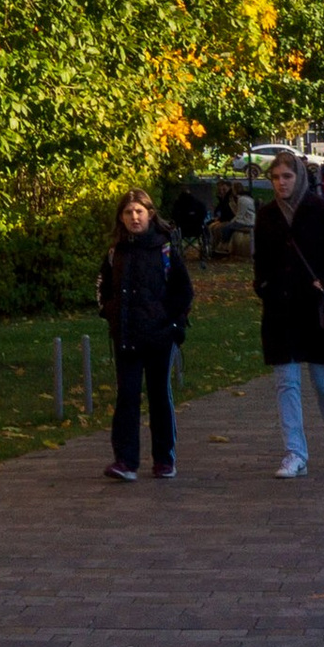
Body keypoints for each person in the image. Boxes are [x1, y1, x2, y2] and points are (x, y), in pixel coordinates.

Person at [254, 147, 324, 476]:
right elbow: (261, 261)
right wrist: (263, 286)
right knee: (286, 383)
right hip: (280, 310)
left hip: (315, 310)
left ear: (299, 176)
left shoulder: (320, 209)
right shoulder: (266, 215)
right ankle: (295, 452)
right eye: (276, 177)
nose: (281, 183)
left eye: (287, 176)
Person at [97, 188, 195, 480]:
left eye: (139, 211)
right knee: (127, 395)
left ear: (150, 214)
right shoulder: (116, 252)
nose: (134, 217)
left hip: (159, 335)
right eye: (128, 213)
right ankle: (125, 460)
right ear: (121, 218)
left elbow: (184, 290)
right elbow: (103, 287)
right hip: (127, 333)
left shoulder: (164, 249)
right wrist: (110, 312)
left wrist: (173, 324)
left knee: (158, 396)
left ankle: (164, 458)